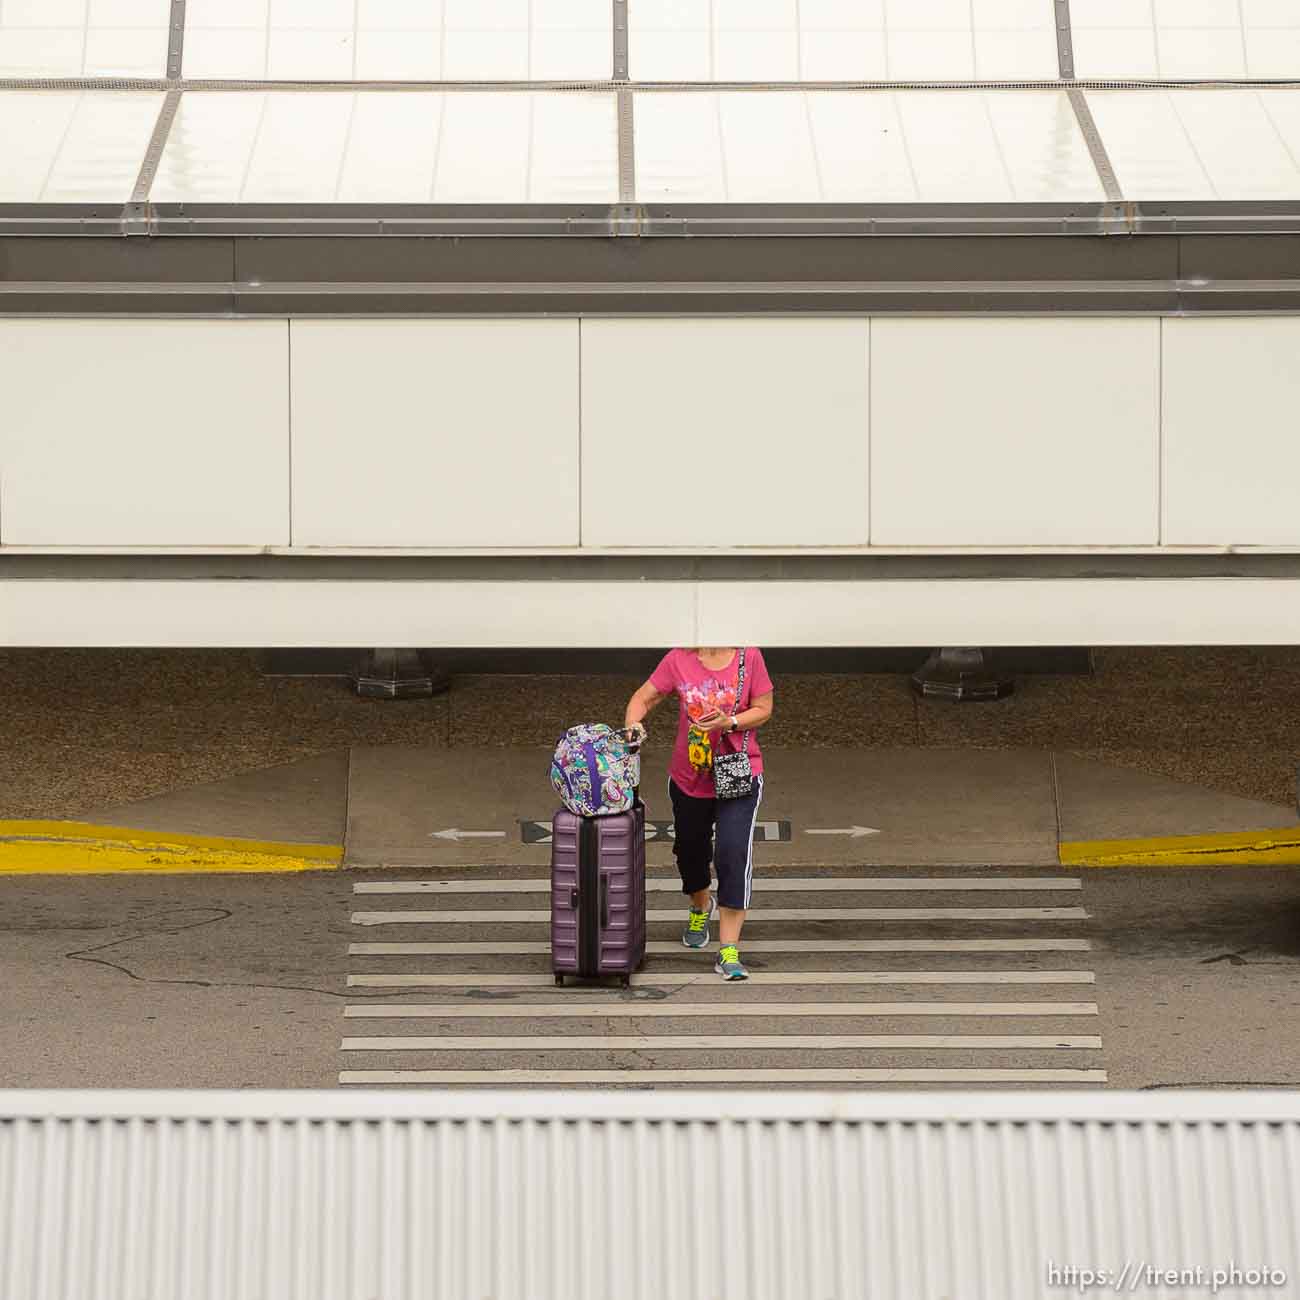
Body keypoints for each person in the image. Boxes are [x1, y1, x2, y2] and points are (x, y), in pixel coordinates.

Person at [624, 646, 774, 980]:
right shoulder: (678, 658)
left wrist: (730, 721)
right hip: (690, 777)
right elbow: (644, 698)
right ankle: (699, 905)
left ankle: (728, 950)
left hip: (738, 773)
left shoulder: (748, 657)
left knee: (732, 853)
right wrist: (633, 725)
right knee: (691, 852)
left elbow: (764, 708)